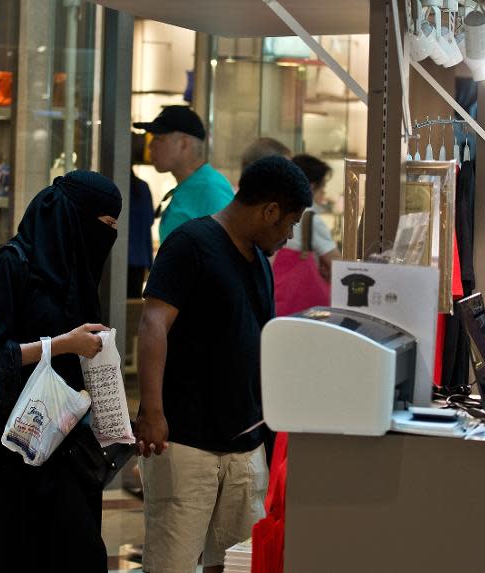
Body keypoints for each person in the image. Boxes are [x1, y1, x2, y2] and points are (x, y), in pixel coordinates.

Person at [134, 156, 312, 573]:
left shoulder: (258, 262)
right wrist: (154, 412)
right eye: (289, 223)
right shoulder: (190, 244)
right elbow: (153, 322)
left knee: (236, 563)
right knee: (172, 564)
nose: (289, 236)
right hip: (185, 442)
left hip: (244, 446)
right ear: (269, 211)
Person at [0, 171, 122, 573]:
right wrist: (60, 345)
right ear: (74, 221)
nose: (107, 237)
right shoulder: (14, 263)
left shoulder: (77, 272)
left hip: (69, 443)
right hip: (18, 442)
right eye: (103, 227)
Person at [133, 105, 234, 243]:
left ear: (184, 144)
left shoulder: (211, 191)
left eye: (158, 138)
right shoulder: (188, 186)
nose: (150, 146)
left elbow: (231, 252)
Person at [272, 153, 341, 316]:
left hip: (279, 300)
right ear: (311, 186)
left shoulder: (277, 211)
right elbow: (338, 265)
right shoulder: (310, 219)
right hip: (305, 308)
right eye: (322, 186)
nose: (323, 192)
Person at [127, 168, 154, 298]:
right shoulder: (143, 187)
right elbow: (149, 219)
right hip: (139, 257)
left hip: (114, 257)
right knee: (131, 308)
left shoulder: (110, 188)